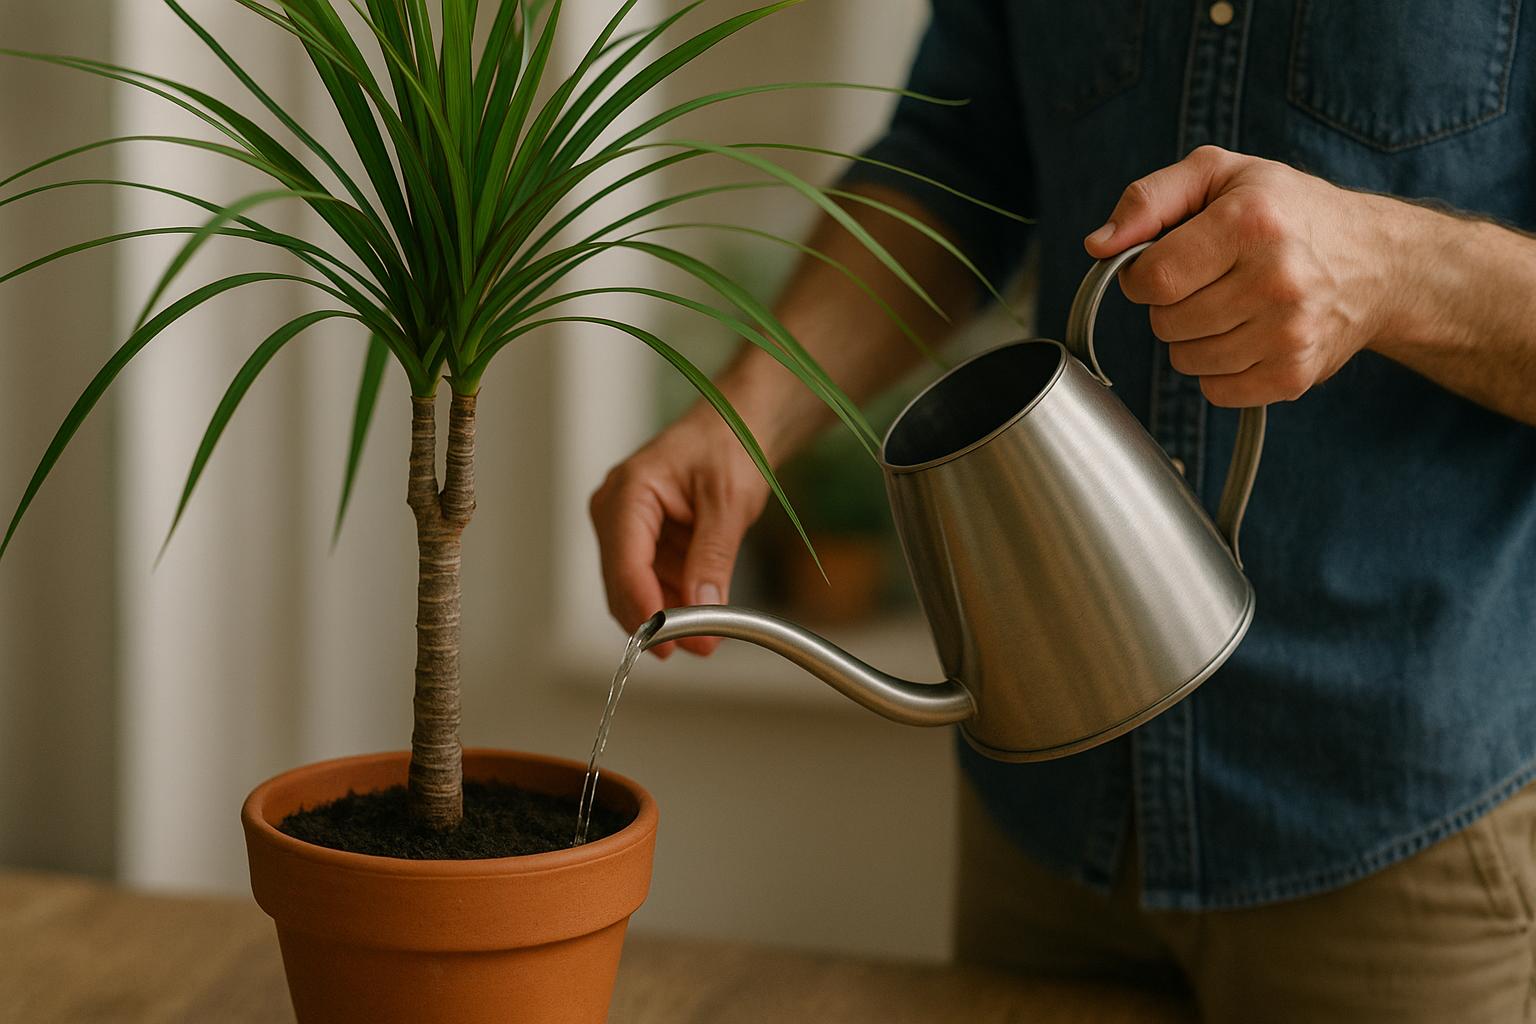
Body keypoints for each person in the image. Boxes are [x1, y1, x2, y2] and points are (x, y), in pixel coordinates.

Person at [589, 3, 1536, 1020]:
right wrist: (745, 416)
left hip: (1396, 829)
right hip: (1045, 826)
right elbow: (955, 160)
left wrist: (1392, 267)